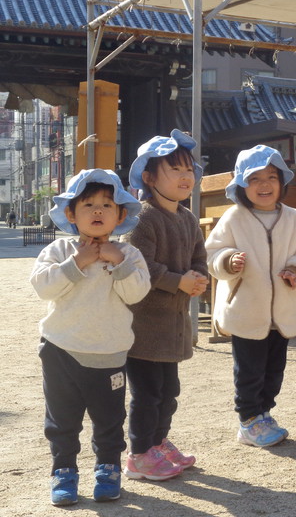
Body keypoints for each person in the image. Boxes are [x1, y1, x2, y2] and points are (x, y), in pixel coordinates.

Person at [30, 169, 150, 505]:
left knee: (109, 419)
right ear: (71, 214)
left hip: (108, 353)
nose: (98, 211)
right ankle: (64, 470)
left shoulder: (129, 254)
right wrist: (76, 262)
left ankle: (107, 468)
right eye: (88, 204)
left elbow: (137, 293)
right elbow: (42, 287)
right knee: (61, 418)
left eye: (106, 205)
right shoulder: (58, 250)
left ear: (120, 215)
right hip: (60, 350)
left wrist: (119, 261)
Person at [205, 145, 296, 447]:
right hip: (246, 311)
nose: (264, 184)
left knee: (274, 370)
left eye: (272, 177)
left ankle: (264, 413)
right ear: (241, 185)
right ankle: (248, 420)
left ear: (282, 182)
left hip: (283, 311)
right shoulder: (234, 218)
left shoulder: (295, 219)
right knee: (249, 371)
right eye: (255, 178)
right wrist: (227, 261)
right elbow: (211, 254)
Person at [123, 130, 209, 481]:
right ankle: (140, 453)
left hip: (173, 328)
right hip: (144, 329)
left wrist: (200, 278)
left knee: (168, 391)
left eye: (189, 169)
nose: (186, 176)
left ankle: (158, 442)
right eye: (175, 169)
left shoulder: (188, 219)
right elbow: (139, 263)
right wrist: (179, 281)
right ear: (149, 178)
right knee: (147, 394)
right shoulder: (142, 218)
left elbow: (199, 258)